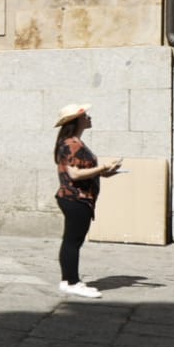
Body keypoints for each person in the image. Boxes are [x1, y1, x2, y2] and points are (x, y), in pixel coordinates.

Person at [54, 102, 121, 299]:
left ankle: (68, 281)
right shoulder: (71, 144)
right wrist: (102, 168)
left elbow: (83, 172)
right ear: (76, 120)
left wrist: (105, 172)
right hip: (76, 198)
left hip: (77, 198)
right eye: (85, 115)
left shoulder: (73, 142)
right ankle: (72, 283)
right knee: (73, 242)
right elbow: (74, 174)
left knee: (71, 240)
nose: (89, 118)